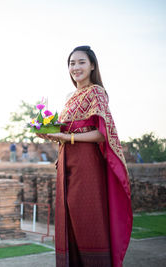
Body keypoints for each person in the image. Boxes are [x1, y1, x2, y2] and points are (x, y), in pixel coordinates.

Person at [36, 46, 132, 267]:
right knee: (68, 220)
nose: (75, 67)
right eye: (71, 63)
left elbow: (101, 134)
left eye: (81, 62)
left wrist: (68, 138)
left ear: (92, 66)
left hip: (87, 163)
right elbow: (67, 131)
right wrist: (49, 132)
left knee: (88, 220)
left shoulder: (96, 92)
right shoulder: (70, 97)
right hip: (67, 162)